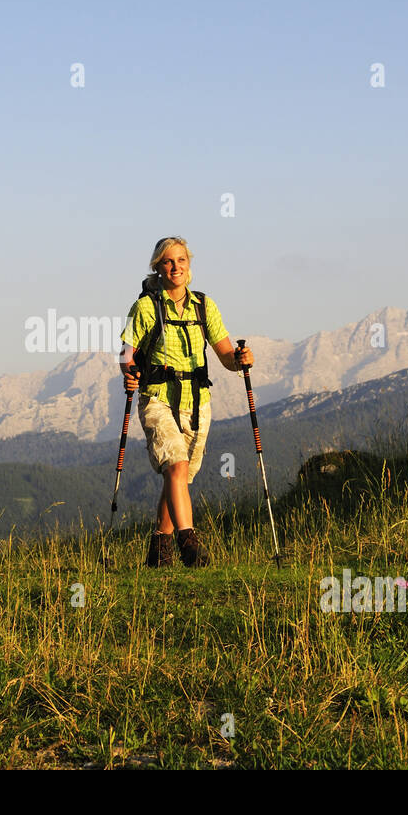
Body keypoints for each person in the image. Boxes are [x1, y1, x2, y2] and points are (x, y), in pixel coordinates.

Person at [119, 236, 253, 568]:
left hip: (197, 401)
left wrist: (241, 359)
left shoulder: (205, 306)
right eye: (168, 261)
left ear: (189, 265)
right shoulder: (147, 307)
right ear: (157, 267)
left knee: (178, 477)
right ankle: (189, 545)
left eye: (181, 260)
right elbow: (127, 351)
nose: (175, 266)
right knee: (176, 467)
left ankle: (158, 552)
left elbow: (225, 354)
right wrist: (130, 371)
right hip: (157, 398)